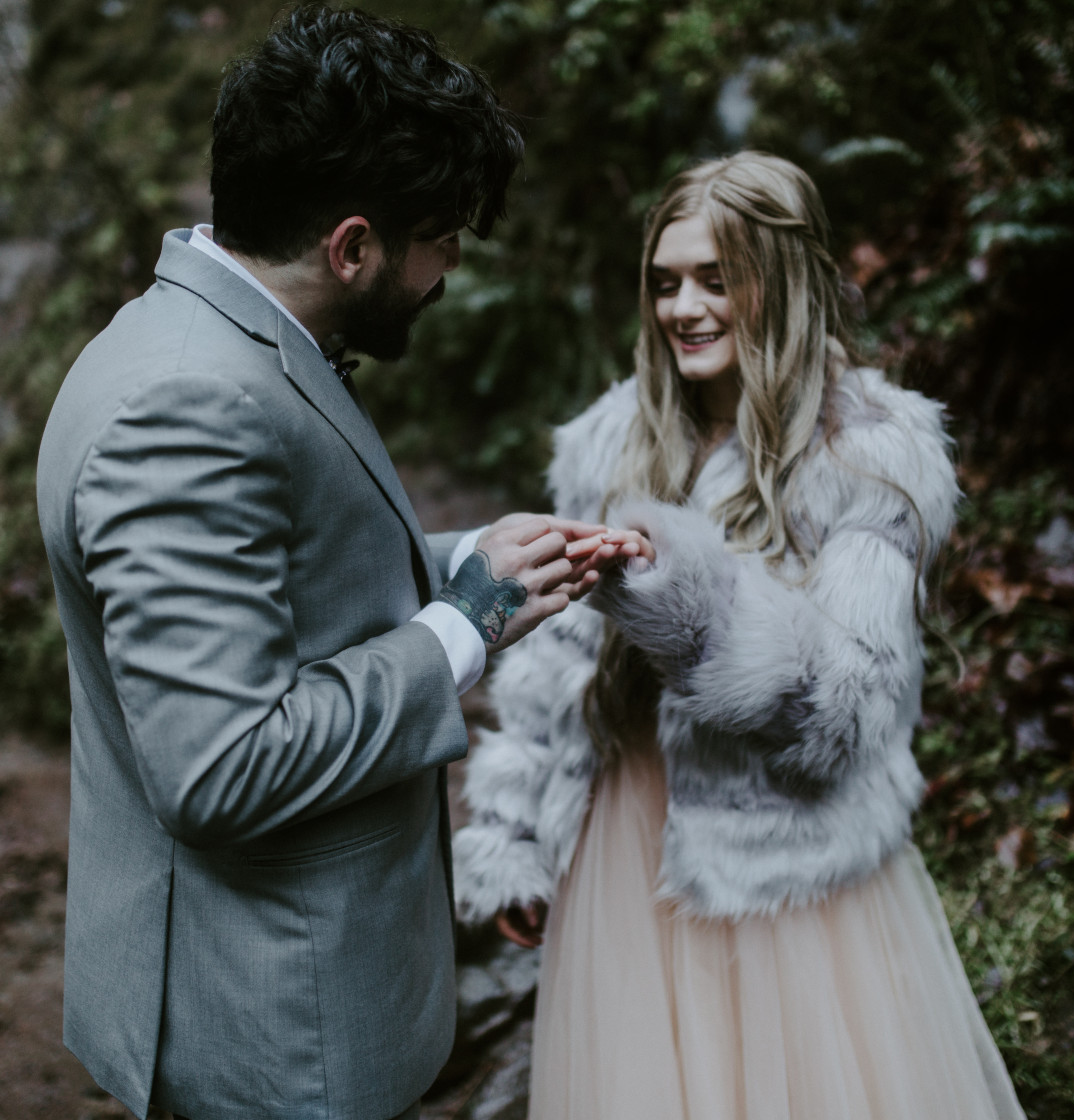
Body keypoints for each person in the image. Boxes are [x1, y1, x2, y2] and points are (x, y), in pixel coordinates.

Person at [35, 9, 646, 1120]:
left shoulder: (207, 335)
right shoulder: (186, 406)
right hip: (274, 1023)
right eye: (443, 235)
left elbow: (289, 575)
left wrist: (476, 559)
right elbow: (221, 766)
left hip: (291, 990)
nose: (452, 265)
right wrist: (465, 622)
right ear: (352, 245)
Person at [453, 152, 1026, 1118]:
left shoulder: (870, 456)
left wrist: (692, 610)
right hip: (623, 838)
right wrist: (512, 835)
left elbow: (845, 718)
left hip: (781, 869)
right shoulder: (612, 438)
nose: (685, 308)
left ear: (785, 282)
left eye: (719, 280)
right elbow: (557, 660)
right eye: (667, 282)